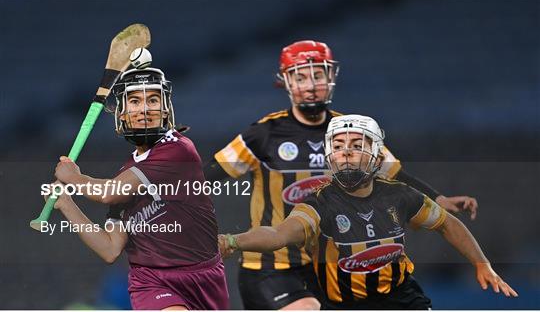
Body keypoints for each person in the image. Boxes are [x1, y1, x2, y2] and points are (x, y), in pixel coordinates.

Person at [204, 40, 478, 309]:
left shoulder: (349, 132)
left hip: (324, 268)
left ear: (331, 76)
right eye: (300, 77)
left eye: (318, 75)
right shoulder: (263, 134)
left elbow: (395, 175)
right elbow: (208, 176)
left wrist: (439, 199)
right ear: (286, 82)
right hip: (272, 268)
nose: (310, 86)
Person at [219, 114, 518, 309]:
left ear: (376, 154)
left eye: (356, 145)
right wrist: (233, 242)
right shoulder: (317, 204)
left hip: (401, 297)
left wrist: (482, 264)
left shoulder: (401, 196)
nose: (346, 152)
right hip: (343, 305)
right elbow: (277, 235)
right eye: (338, 145)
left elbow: (448, 225)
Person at [51, 66, 229, 310]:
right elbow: (110, 248)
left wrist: (74, 177)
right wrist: (66, 205)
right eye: (134, 101)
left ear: (165, 108)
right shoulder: (127, 174)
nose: (144, 109)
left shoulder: (178, 149)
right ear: (122, 113)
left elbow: (109, 192)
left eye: (153, 99)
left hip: (206, 277)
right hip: (152, 282)